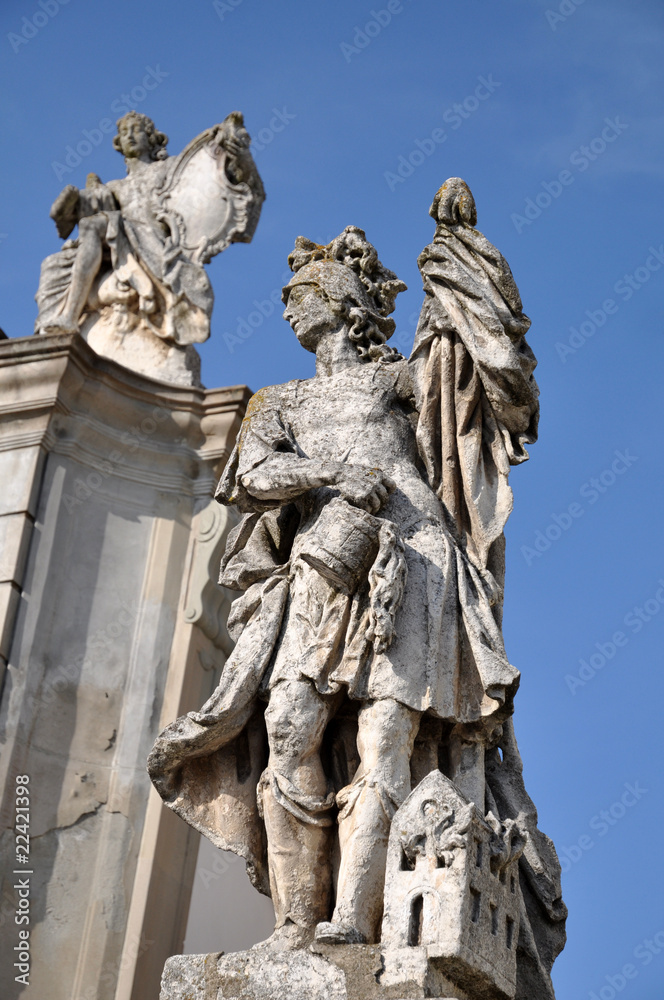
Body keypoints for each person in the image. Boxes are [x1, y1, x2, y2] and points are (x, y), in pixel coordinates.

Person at [149, 189, 565, 996]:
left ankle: (349, 921)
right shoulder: (281, 404)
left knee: (385, 737)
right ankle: (294, 923)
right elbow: (255, 476)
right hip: (321, 564)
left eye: (308, 288)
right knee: (287, 726)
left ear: (347, 300)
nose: (290, 301)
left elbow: (472, 378)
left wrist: (457, 257)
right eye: (290, 293)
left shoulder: (397, 380)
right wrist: (329, 473)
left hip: (414, 561)